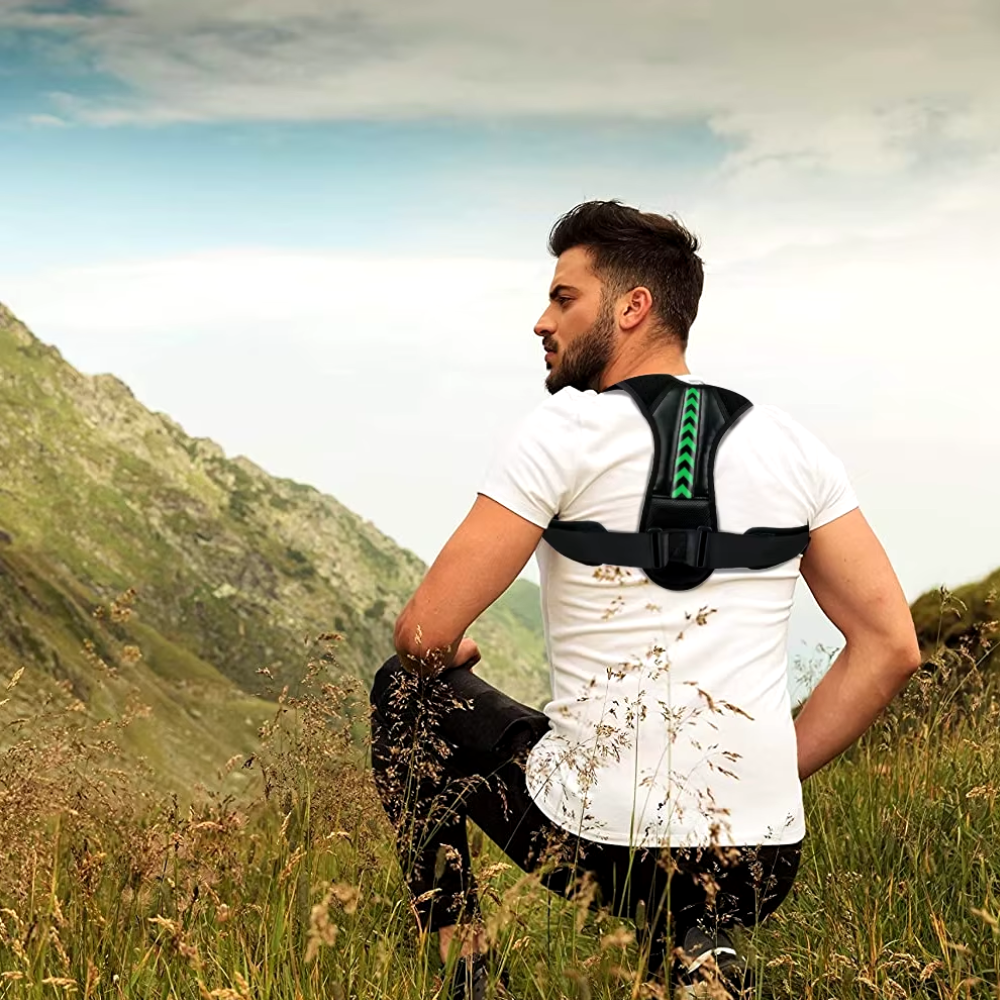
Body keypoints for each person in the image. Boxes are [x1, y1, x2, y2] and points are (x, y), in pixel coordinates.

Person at [369, 200, 921, 999]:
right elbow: (891, 647)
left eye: (564, 298)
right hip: (759, 860)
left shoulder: (562, 433)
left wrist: (448, 649)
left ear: (633, 307)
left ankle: (467, 973)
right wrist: (770, 771)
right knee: (679, 874)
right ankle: (697, 946)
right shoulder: (797, 448)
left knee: (404, 690)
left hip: (597, 846)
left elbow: (423, 634)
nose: (541, 322)